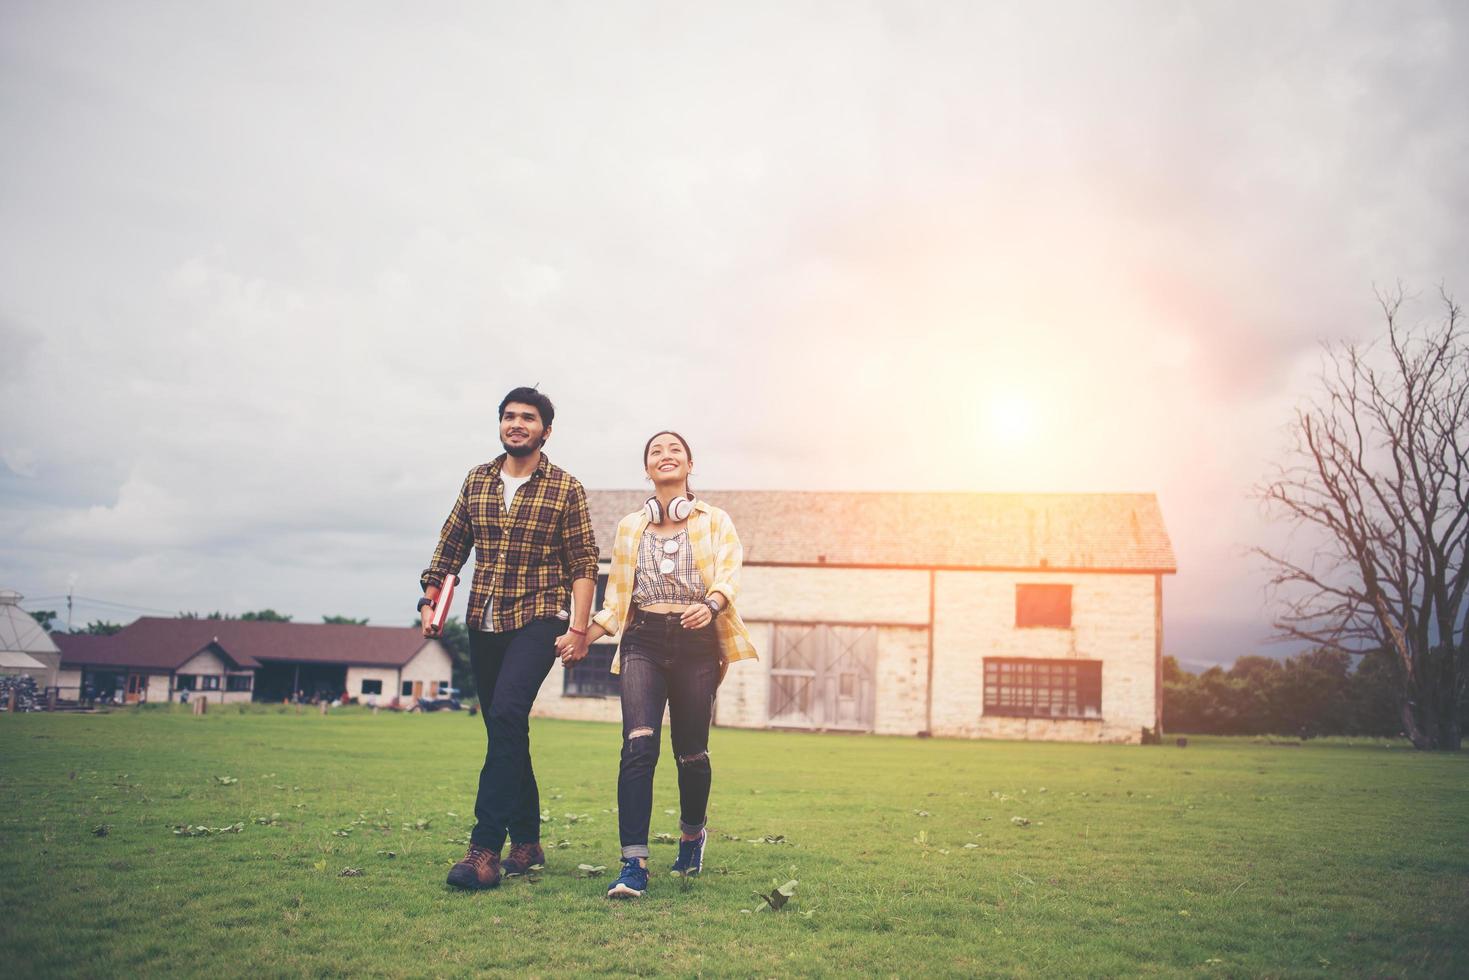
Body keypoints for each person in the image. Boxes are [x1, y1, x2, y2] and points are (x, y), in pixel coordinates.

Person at [420, 386, 599, 890]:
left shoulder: (566, 487)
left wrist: (578, 628)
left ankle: (484, 850)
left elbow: (584, 561)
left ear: (546, 429)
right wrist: (429, 600)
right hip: (484, 617)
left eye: (528, 417)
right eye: (509, 416)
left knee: (504, 715)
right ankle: (528, 841)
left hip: (539, 616)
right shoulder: (477, 480)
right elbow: (450, 545)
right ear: (500, 424)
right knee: (505, 728)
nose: (516, 424)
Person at [567, 431, 758, 899]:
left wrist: (710, 606)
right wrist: (581, 634)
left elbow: (730, 573)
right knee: (638, 747)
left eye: (675, 450)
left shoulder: (716, 521)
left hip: (697, 642)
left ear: (690, 464)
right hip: (643, 641)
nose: (665, 456)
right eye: (656, 452)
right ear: (647, 470)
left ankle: (692, 837)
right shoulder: (632, 527)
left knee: (691, 753)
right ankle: (633, 865)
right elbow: (617, 600)